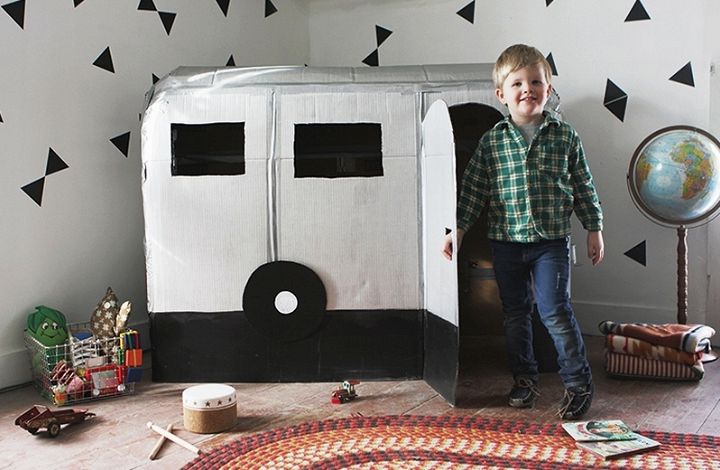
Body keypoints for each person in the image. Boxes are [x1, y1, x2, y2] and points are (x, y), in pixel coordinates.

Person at [442, 44, 604, 420]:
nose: (527, 89)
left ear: (548, 89)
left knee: (555, 312)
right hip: (506, 243)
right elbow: (474, 191)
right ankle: (524, 379)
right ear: (502, 94)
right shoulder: (492, 142)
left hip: (551, 243)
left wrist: (594, 227)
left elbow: (584, 185)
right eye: (517, 83)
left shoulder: (565, 137)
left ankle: (579, 383)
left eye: (535, 81)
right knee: (515, 314)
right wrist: (459, 231)